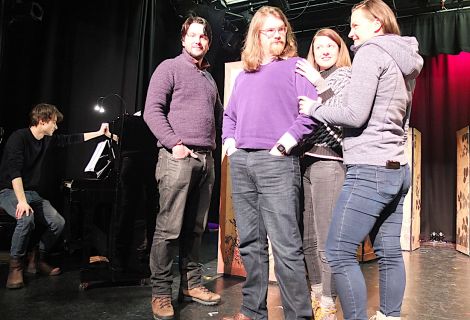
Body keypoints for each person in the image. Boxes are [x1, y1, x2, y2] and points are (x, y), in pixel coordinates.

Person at [298, 1, 423, 319]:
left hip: (370, 170)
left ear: (376, 25)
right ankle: (389, 316)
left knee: (338, 252)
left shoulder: (371, 52)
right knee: (390, 252)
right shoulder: (404, 59)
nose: (350, 32)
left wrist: (313, 108)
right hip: (398, 169)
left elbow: (353, 115)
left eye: (355, 25)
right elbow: (401, 120)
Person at [221, 6, 317, 320]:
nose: (277, 35)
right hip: (242, 163)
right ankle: (252, 309)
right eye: (269, 30)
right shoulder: (244, 75)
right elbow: (230, 116)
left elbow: (310, 114)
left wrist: (283, 145)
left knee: (286, 246)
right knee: (250, 243)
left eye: (280, 29)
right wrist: (230, 145)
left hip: (276, 163)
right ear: (256, 35)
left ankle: (299, 316)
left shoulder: (296, 67)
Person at [143, 15, 223, 320]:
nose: (198, 40)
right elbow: (152, 111)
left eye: (203, 37)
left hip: (207, 160)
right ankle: (161, 292)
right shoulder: (169, 68)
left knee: (196, 229)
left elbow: (219, 117)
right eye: (193, 35)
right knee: (169, 229)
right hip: (178, 158)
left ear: (208, 42)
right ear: (183, 39)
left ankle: (191, 285)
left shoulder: (209, 78)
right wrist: (173, 142)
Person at [0, 103, 110, 289]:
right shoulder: (18, 138)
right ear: (42, 121)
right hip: (8, 191)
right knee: (26, 219)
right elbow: (14, 172)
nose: (56, 127)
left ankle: (37, 256)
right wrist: (21, 201)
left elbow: (70, 139)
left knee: (58, 222)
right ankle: (15, 266)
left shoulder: (46, 139)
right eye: (54, 123)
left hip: (32, 193)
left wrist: (99, 133)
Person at [295, 28, 352, 320]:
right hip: (306, 162)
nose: (325, 51)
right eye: (319, 47)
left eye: (330, 45)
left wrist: (318, 83)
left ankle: (328, 301)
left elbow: (344, 115)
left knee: (327, 236)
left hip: (329, 163)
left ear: (339, 48)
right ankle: (317, 293)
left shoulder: (344, 76)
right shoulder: (307, 79)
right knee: (307, 235)